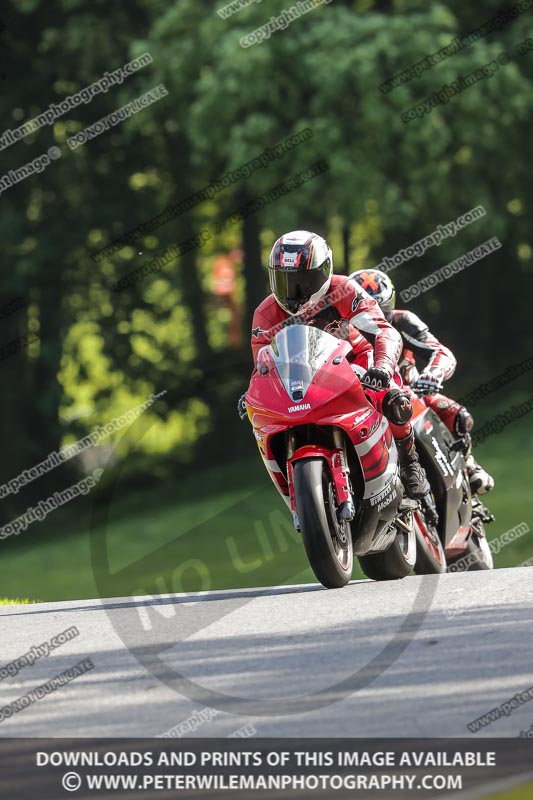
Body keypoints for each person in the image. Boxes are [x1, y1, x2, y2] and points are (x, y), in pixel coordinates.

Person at [238, 230, 432, 500]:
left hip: (356, 359)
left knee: (394, 398)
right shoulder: (266, 313)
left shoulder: (343, 289)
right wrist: (253, 392)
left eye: (304, 281)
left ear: (324, 272)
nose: (294, 293)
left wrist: (384, 367)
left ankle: (411, 463)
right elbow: (262, 364)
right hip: (306, 375)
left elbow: (384, 331)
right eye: (285, 281)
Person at [350, 268, 494, 495]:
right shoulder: (336, 331)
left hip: (409, 394)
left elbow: (441, 352)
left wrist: (433, 374)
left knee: (455, 414)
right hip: (360, 403)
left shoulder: (402, 321)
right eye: (364, 311)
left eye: (377, 309)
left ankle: (466, 465)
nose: (369, 320)